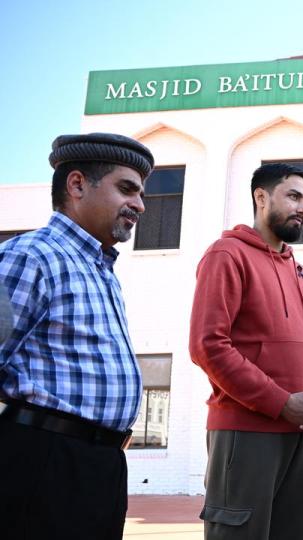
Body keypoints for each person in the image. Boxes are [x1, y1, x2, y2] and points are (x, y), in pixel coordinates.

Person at [0, 133, 154, 540]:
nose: (139, 204)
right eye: (127, 189)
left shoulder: (102, 270)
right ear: (77, 185)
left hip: (100, 468)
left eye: (140, 193)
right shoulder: (31, 256)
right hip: (45, 462)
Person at [189, 163, 303, 540]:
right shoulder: (226, 254)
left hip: (300, 434)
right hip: (245, 431)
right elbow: (208, 346)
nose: (302, 207)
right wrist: (281, 402)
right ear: (261, 197)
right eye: (293, 196)